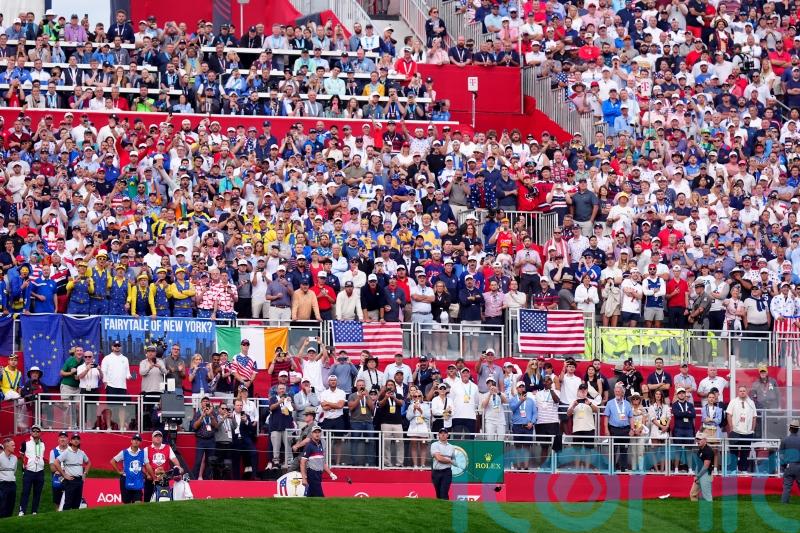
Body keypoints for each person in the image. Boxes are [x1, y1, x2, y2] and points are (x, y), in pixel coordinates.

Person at [53, 433, 90, 511]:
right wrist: (64, 475)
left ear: (80, 441)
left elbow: (89, 463)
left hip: (79, 480)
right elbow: (56, 462)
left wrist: (85, 473)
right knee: (68, 503)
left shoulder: (81, 452)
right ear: (71, 441)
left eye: (77, 439)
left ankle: (74, 520)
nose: (76, 441)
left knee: (77, 503)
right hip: (70, 480)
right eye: (74, 439)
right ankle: (65, 520)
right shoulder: (67, 452)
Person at [726, 385, 758, 474]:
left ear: (746, 392)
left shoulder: (751, 402)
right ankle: (733, 469)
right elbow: (729, 415)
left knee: (745, 452)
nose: (742, 392)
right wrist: (731, 428)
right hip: (735, 431)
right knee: (734, 452)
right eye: (740, 391)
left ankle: (743, 469)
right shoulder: (733, 402)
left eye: (744, 391)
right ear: (738, 392)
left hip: (747, 432)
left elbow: (754, 417)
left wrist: (752, 429)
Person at [567, 383, 599, 470]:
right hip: (577, 429)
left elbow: (597, 410)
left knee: (588, 450)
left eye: (585, 389)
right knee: (577, 451)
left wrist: (590, 404)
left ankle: (587, 469)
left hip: (589, 428)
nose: (583, 391)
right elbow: (568, 414)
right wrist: (573, 406)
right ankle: (577, 468)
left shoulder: (590, 401)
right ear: (578, 391)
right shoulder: (574, 401)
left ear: (587, 391)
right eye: (581, 390)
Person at [144, 430, 181, 502]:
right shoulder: (146, 449)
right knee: (147, 501)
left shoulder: (167, 447)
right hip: (151, 479)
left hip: (164, 478)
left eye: (160, 436)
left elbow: (175, 460)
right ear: (152, 438)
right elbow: (142, 464)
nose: (158, 438)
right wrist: (146, 474)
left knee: (164, 500)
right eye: (156, 436)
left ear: (162, 438)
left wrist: (178, 468)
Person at [300, 426, 337, 497]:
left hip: (319, 474)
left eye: (318, 432)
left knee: (311, 495)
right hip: (312, 473)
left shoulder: (320, 445)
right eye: (315, 432)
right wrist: (304, 478)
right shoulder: (309, 446)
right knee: (320, 496)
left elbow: (322, 462)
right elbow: (302, 462)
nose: (317, 434)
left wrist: (330, 473)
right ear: (311, 434)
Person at [604, 382, 633, 472]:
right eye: (616, 391)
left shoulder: (627, 404)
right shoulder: (609, 403)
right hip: (613, 429)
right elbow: (606, 417)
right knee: (613, 449)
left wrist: (632, 429)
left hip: (625, 430)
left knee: (624, 449)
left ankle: (623, 468)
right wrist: (606, 429)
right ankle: (612, 468)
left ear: (622, 393)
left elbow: (631, 417)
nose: (617, 393)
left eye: (619, 391)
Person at [18, 424, 46, 516]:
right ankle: (22, 511)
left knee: (37, 492)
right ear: (31, 432)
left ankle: (34, 511)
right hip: (29, 471)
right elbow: (21, 454)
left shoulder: (42, 444)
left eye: (37, 431)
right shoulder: (25, 443)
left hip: (40, 471)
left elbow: (41, 456)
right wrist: (27, 462)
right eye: (33, 431)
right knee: (26, 491)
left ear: (40, 433)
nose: (35, 432)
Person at [111, 434, 146, 504]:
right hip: (126, 479)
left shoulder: (143, 453)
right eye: (134, 439)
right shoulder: (124, 452)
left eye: (138, 440)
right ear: (131, 441)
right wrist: (118, 471)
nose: (136, 441)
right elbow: (112, 461)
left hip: (137, 480)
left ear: (140, 442)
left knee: (138, 502)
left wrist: (146, 474)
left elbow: (142, 467)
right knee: (126, 503)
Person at [191, 396, 218, 480]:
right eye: (204, 401)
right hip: (201, 440)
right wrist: (202, 417)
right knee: (198, 461)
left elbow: (216, 426)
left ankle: (208, 479)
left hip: (211, 440)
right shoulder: (198, 413)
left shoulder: (213, 413)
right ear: (201, 404)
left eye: (207, 401)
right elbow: (194, 426)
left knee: (210, 461)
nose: (206, 402)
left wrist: (210, 415)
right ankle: (194, 479)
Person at [430, 427, 455, 500]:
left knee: (444, 493)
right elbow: (439, 458)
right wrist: (449, 461)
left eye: (445, 433)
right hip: (436, 472)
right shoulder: (434, 444)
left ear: (447, 435)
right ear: (438, 435)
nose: (443, 435)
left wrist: (453, 462)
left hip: (446, 472)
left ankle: (447, 509)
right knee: (438, 494)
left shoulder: (451, 447)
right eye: (441, 433)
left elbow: (453, 459)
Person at [779, 419, 800, 504]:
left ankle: (784, 504)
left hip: (789, 466)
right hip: (799, 466)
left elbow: (781, 455)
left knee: (787, 487)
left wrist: (784, 466)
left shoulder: (784, 440)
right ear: (798, 429)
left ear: (790, 429)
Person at [690, 432, 714, 502]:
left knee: (707, 497)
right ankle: (694, 511)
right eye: (697, 439)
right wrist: (696, 475)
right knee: (693, 494)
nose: (698, 441)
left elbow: (705, 466)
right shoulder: (700, 450)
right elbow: (699, 464)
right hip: (700, 474)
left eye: (700, 439)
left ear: (705, 440)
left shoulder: (708, 451)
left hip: (706, 474)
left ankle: (710, 511)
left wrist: (698, 476)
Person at [49, 431, 69, 509]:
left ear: (68, 439)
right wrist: (64, 470)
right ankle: (58, 515)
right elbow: (52, 468)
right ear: (58, 439)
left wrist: (59, 470)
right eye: (61, 437)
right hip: (57, 480)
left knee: (68, 500)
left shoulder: (71, 450)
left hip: (69, 478)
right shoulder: (53, 451)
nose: (63, 439)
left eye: (64, 437)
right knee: (57, 501)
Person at [0, 438, 17, 518]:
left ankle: (8, 521)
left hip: (12, 484)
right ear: (7, 446)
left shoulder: (15, 458)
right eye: (12, 445)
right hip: (3, 484)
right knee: (3, 505)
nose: (14, 447)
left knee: (11, 504)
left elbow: (14, 471)